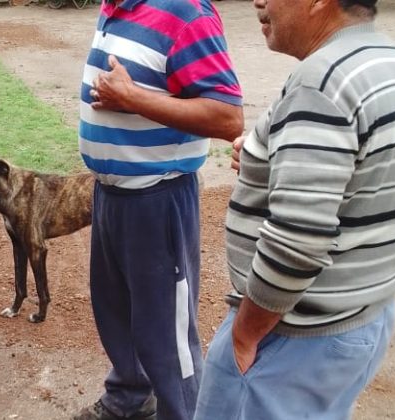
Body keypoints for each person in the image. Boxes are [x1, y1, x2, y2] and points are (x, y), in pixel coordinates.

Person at [195, 0, 395, 419]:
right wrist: (267, 156)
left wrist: (245, 334)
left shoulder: (321, 82)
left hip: (293, 336)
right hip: (361, 318)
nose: (258, 1)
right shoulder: (392, 63)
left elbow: (297, 240)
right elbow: (369, 180)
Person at [73, 0, 244, 418]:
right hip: (111, 196)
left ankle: (185, 412)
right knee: (117, 314)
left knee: (167, 339)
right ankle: (129, 399)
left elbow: (227, 117)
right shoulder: (114, 8)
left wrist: (132, 97)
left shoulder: (186, 14)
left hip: (158, 200)